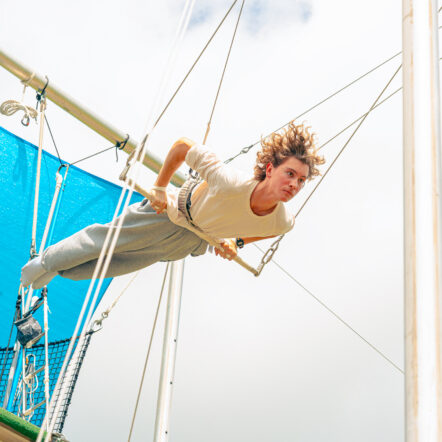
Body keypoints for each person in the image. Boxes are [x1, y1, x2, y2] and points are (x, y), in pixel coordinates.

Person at [21, 121, 324, 289]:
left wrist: (236, 241)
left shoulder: (283, 220)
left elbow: (268, 229)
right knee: (105, 240)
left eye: (301, 180)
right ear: (270, 169)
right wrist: (159, 187)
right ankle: (47, 261)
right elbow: (182, 146)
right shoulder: (230, 181)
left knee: (115, 265)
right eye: (290, 174)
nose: (294, 185)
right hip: (170, 213)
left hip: (191, 241)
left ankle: (58, 270)